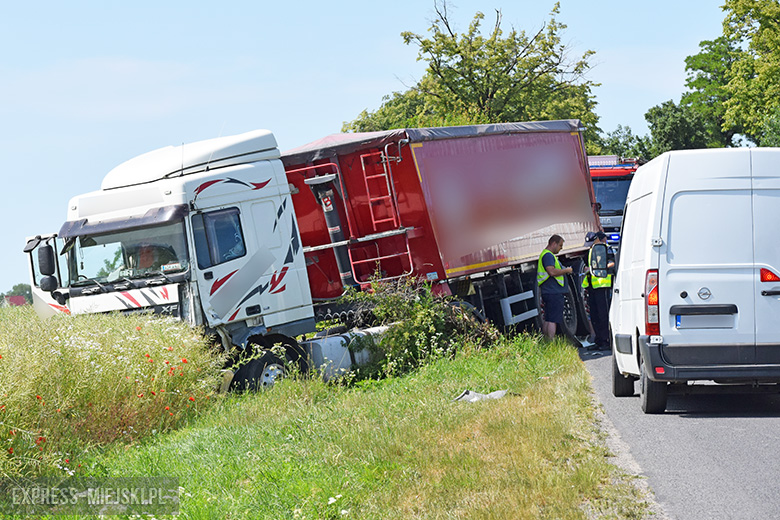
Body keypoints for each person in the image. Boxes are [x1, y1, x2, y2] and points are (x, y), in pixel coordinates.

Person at [537, 234, 573, 340]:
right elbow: (551, 271)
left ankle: (547, 341)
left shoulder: (546, 254)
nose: (561, 248)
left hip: (548, 291)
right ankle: (551, 341)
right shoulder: (548, 255)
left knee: (548, 318)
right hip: (553, 292)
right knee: (553, 319)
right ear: (554, 243)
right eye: (560, 246)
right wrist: (566, 270)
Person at [582, 231, 614, 350]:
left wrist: (602, 267)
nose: (589, 245)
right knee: (594, 315)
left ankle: (606, 340)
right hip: (592, 286)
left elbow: (612, 263)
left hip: (603, 286)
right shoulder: (590, 251)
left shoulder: (606, 249)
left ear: (596, 239)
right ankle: (599, 340)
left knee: (603, 315)